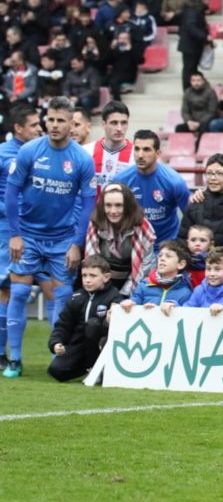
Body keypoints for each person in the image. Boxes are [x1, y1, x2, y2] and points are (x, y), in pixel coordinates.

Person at [3, 97, 95, 379]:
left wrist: (76, 243)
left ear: (71, 123)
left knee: (62, 296)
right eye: (50, 119)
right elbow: (11, 192)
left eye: (61, 120)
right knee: (18, 292)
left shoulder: (81, 159)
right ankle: (15, 360)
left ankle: (58, 358)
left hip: (62, 239)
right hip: (28, 235)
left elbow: (88, 203)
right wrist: (16, 234)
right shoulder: (30, 151)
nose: (54, 125)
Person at [0, 106, 41, 367]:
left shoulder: (39, 153)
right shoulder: (4, 154)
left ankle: (57, 355)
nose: (40, 129)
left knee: (50, 288)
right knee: (6, 290)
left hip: (38, 230)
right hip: (8, 231)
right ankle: (4, 356)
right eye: (34, 124)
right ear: (18, 128)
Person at [46, 255, 122, 382]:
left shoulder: (115, 298)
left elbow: (118, 330)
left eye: (93, 276)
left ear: (106, 277)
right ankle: (88, 368)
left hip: (101, 345)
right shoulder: (76, 297)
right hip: (79, 345)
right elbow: (63, 325)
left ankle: (98, 368)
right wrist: (56, 343)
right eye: (84, 275)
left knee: (92, 325)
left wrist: (108, 321)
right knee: (56, 370)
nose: (87, 280)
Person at [113, 130, 190, 247]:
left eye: (146, 149)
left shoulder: (174, 182)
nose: (140, 155)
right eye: (137, 149)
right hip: (131, 246)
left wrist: (181, 243)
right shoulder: (120, 180)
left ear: (158, 153)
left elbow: (190, 216)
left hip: (165, 247)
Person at [83, 182, 157, 296]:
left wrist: (123, 295)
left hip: (134, 279)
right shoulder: (95, 223)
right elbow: (91, 262)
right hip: (103, 280)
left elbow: (146, 266)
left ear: (127, 206)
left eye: (118, 205)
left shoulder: (142, 225)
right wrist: (107, 294)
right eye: (108, 205)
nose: (113, 211)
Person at [163, 246, 223, 315]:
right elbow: (188, 311)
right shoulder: (199, 290)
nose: (212, 273)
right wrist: (174, 306)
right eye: (208, 269)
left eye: (217, 269)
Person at [179, 154, 223, 248]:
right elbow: (182, 239)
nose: (213, 178)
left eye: (219, 174)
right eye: (209, 173)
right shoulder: (196, 202)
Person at [122, 239, 192, 307]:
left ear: (181, 264)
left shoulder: (186, 292)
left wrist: (175, 307)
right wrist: (129, 305)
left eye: (168, 256)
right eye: (160, 255)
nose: (162, 259)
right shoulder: (144, 285)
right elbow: (133, 306)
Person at [83, 101, 132, 196]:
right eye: (114, 123)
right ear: (103, 124)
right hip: (93, 210)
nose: (119, 128)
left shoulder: (136, 155)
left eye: (123, 123)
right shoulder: (87, 152)